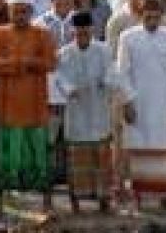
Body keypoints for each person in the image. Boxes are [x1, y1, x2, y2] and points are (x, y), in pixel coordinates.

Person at [0, 0, 58, 213]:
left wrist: (25, 63)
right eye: (16, 12)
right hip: (8, 105)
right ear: (9, 12)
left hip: (35, 105)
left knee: (39, 153)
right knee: (4, 153)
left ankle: (46, 201)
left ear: (31, 12)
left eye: (25, 11)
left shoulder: (42, 34)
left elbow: (51, 62)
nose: (20, 16)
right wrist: (20, 63)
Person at [55, 11, 132, 213]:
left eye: (86, 30)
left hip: (98, 108)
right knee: (77, 158)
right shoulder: (64, 53)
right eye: (79, 30)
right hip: (76, 111)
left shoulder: (103, 50)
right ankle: (76, 200)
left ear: (91, 30)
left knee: (101, 156)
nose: (82, 33)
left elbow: (111, 71)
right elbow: (59, 77)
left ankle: (103, 198)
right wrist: (70, 89)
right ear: (73, 31)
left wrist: (107, 82)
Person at [117, 0, 166, 206]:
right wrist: (127, 102)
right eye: (148, 17)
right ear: (141, 16)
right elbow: (122, 73)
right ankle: (140, 194)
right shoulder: (128, 37)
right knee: (140, 146)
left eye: (156, 17)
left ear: (162, 16)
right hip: (139, 103)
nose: (152, 21)